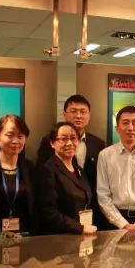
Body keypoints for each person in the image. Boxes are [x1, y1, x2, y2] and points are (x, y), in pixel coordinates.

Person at [36, 94, 106, 227]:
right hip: (61, 215)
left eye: (83, 112)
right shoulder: (49, 141)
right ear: (64, 114)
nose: (78, 116)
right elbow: (43, 179)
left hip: (89, 211)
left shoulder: (98, 144)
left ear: (89, 115)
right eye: (73, 111)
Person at [96, 106, 135, 229]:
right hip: (114, 222)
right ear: (117, 128)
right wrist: (122, 224)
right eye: (125, 123)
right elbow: (103, 195)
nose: (130, 128)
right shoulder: (105, 155)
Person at [36, 122, 97, 235]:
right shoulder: (48, 170)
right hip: (60, 237)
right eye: (63, 139)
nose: (69, 143)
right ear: (52, 143)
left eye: (73, 138)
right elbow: (48, 213)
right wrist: (80, 228)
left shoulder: (78, 169)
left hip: (81, 234)